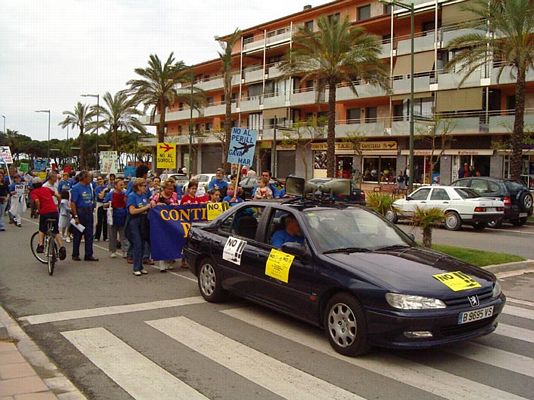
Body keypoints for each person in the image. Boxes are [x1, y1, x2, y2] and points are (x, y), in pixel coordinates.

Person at [30, 177, 66, 260]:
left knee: (42, 229)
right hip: (54, 211)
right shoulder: (46, 189)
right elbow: (58, 196)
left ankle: (41, 245)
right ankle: (61, 247)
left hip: (45, 212)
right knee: (55, 231)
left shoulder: (34, 192)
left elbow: (37, 201)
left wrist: (38, 210)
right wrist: (59, 205)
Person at [126, 178, 153, 276]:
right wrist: (145, 208)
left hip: (143, 221)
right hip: (134, 221)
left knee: (142, 243)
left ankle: (140, 266)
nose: (146, 188)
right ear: (138, 186)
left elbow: (149, 204)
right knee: (137, 244)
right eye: (144, 186)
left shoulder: (144, 196)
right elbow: (132, 211)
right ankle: (136, 267)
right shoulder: (132, 196)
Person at [150, 179, 179, 272]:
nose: (171, 190)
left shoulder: (174, 195)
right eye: (169, 188)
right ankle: (162, 263)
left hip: (172, 222)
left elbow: (178, 205)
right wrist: (157, 204)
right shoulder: (158, 195)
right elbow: (152, 204)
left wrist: (175, 205)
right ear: (164, 188)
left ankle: (169, 261)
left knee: (171, 241)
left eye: (172, 188)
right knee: (162, 241)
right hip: (160, 223)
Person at [70, 171, 98, 262]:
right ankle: (75, 254)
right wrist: (76, 216)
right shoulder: (76, 188)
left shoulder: (89, 187)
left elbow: (91, 199)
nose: (91, 179)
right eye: (89, 177)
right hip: (80, 211)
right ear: (84, 178)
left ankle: (88, 254)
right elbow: (73, 203)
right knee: (78, 234)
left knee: (89, 234)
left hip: (89, 212)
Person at [105, 178, 128, 259]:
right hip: (113, 216)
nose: (122, 186)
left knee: (124, 235)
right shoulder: (110, 194)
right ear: (115, 186)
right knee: (112, 235)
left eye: (123, 185)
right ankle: (113, 251)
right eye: (120, 185)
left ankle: (125, 251)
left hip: (123, 216)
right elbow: (104, 205)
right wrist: (109, 204)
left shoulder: (125, 194)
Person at [94, 176, 109, 241]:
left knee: (106, 221)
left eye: (100, 179)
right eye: (98, 179)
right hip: (99, 204)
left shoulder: (107, 187)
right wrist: (103, 191)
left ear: (103, 180)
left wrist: (104, 192)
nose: (99, 180)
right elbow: (100, 197)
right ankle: (97, 236)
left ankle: (105, 237)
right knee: (99, 221)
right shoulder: (97, 188)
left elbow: (107, 196)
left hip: (106, 204)